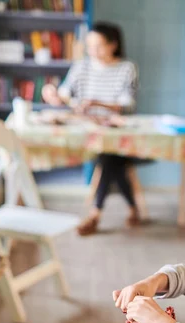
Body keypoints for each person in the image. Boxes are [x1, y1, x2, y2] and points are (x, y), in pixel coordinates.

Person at [42, 22, 139, 235]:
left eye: (99, 46)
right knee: (112, 161)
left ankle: (95, 214)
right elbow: (65, 94)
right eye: (90, 46)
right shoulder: (82, 66)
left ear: (113, 45)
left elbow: (127, 104)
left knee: (108, 158)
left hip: (115, 132)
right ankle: (133, 208)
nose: (92, 51)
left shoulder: (126, 68)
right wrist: (54, 95)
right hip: (84, 131)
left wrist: (97, 103)